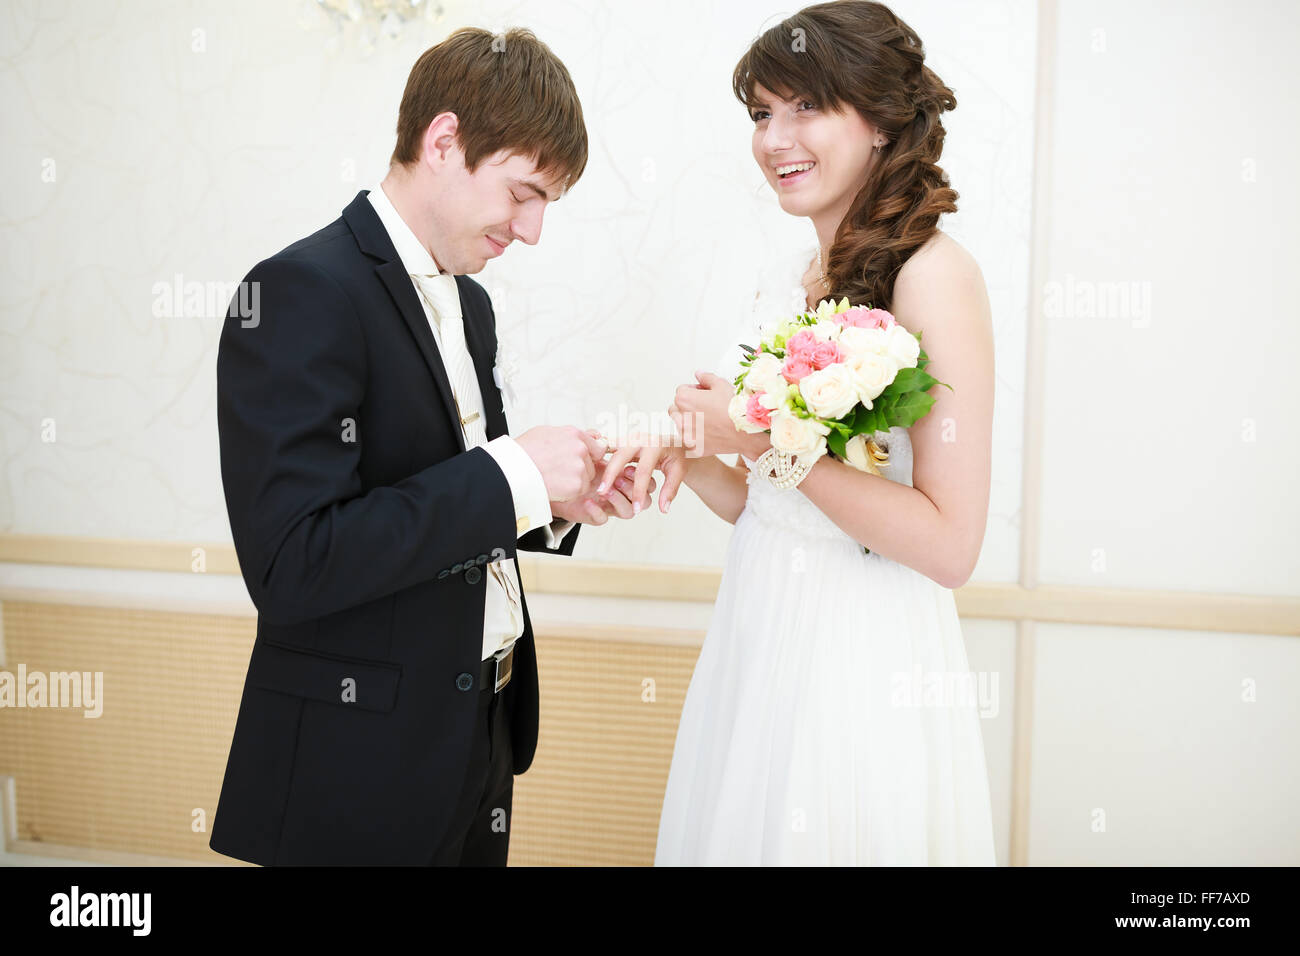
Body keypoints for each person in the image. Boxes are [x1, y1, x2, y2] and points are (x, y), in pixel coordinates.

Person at [209, 27, 653, 866]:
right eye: (524, 193)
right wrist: (516, 472)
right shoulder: (297, 290)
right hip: (356, 762)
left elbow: (444, 500)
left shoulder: (471, 305)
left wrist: (552, 502)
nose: (532, 231)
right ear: (442, 141)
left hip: (480, 735)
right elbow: (294, 563)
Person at [607, 0, 998, 865]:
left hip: (860, 648)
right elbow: (776, 505)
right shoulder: (795, 274)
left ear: (884, 122)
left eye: (806, 107)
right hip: (763, 622)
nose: (774, 138)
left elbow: (949, 544)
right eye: (760, 113)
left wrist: (759, 442)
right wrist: (692, 447)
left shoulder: (933, 275)